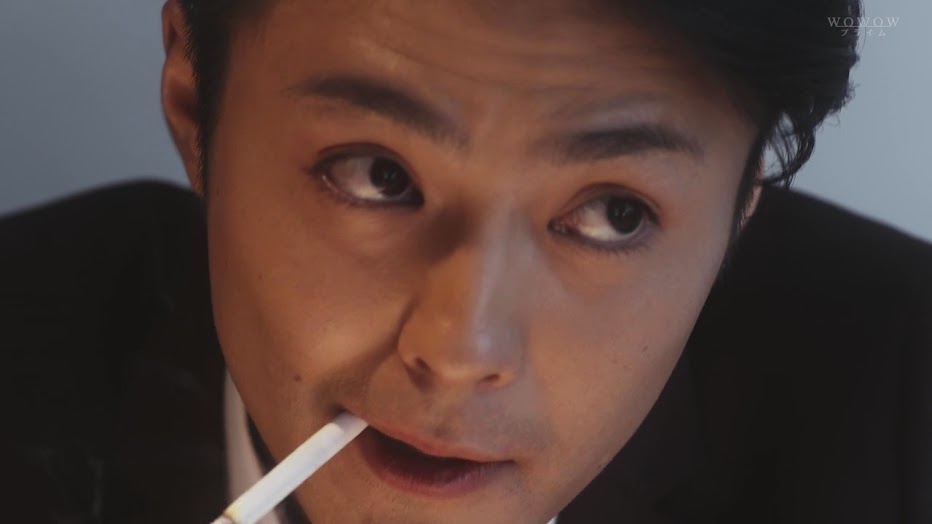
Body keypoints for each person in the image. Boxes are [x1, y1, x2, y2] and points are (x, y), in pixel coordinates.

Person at [2, 0, 930, 523]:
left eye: (614, 215)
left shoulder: (900, 427)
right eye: (376, 175)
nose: (458, 351)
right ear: (194, 109)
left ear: (741, 205)